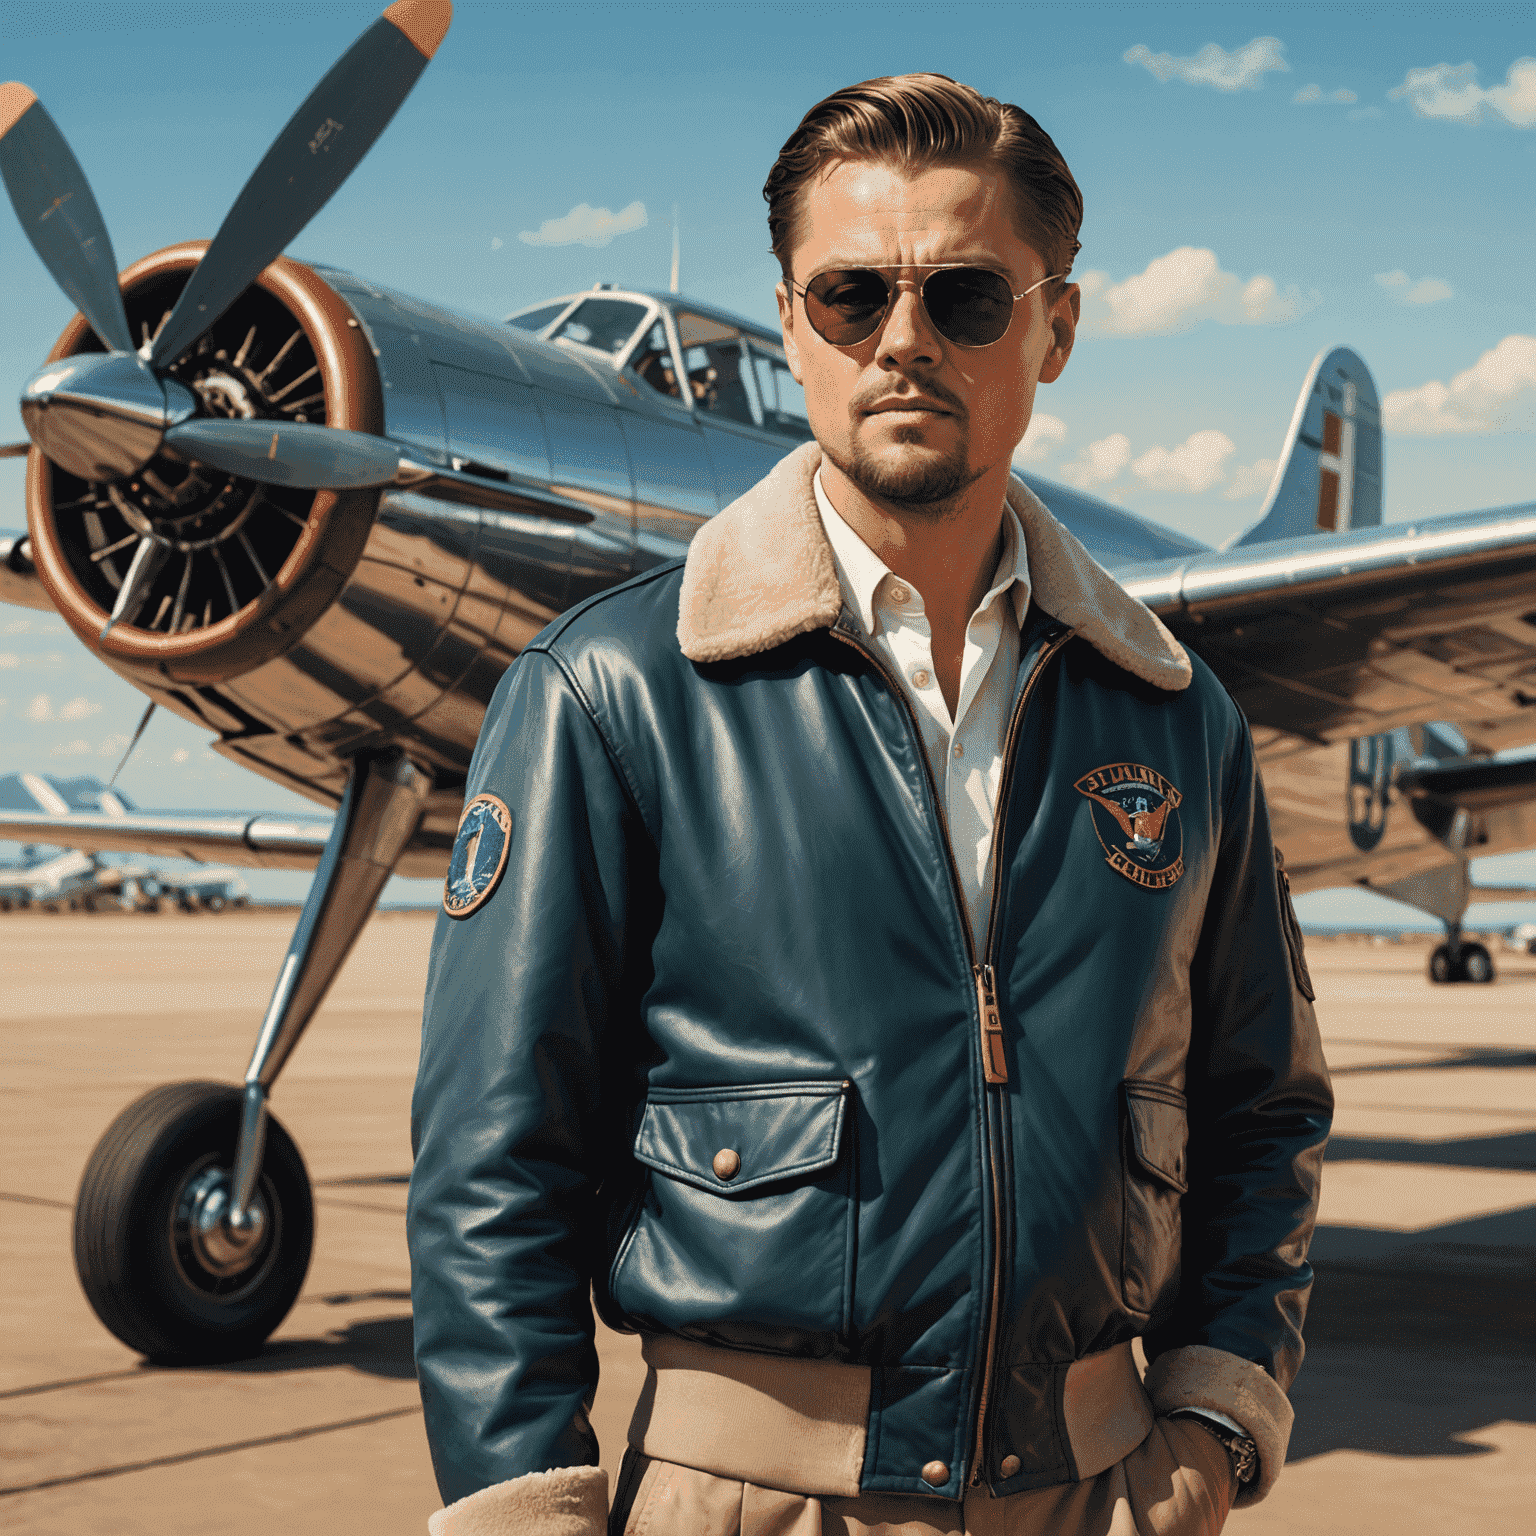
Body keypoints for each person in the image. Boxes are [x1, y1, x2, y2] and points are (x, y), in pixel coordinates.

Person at [407, 73, 1332, 1536]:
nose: (903, 340)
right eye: (850, 296)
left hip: (1104, 1494)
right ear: (792, 322)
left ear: (1057, 329)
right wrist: (523, 1507)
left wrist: (1217, 1416)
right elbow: (492, 1160)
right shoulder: (608, 690)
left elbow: (1262, 1105)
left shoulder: (1179, 713)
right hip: (743, 1502)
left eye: (966, 296)